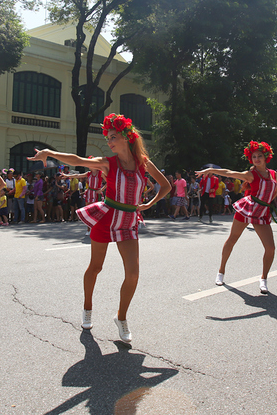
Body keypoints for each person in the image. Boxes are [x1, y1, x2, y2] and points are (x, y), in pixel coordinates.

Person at [28, 113, 170, 343]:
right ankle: (87, 308)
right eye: (108, 138)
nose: (109, 142)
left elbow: (166, 185)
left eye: (113, 137)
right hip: (107, 218)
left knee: (133, 274)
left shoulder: (144, 162)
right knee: (95, 267)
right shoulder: (108, 163)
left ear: (126, 136)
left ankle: (121, 318)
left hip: (127, 222)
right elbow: (77, 159)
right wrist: (50, 153)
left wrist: (149, 204)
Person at [197, 141, 277, 294]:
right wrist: (211, 170)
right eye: (254, 156)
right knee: (232, 239)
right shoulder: (250, 174)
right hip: (247, 208)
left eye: (259, 156)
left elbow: (274, 192)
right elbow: (229, 172)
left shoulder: (273, 174)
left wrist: (267, 204)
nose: (256, 159)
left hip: (262, 213)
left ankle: (263, 279)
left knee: (271, 248)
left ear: (266, 156)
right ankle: (221, 272)